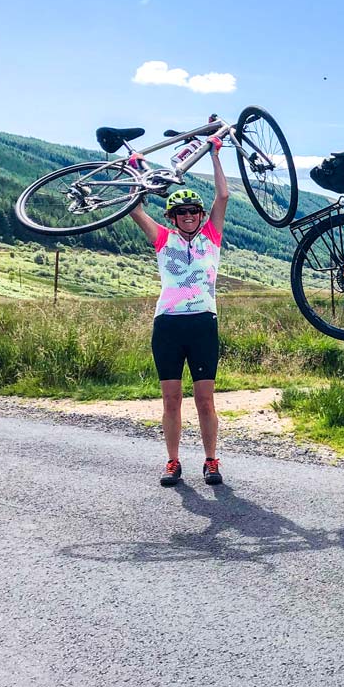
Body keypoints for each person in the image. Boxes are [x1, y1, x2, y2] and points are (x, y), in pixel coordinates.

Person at [127, 136, 230, 487]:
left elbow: (223, 197)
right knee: (171, 398)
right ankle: (172, 462)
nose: (188, 216)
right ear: (172, 217)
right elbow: (135, 209)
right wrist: (135, 172)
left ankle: (211, 461)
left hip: (203, 323)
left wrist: (215, 155)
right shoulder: (162, 238)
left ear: (200, 215)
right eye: (181, 213)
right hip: (168, 325)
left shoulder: (211, 237)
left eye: (193, 212)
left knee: (204, 399)